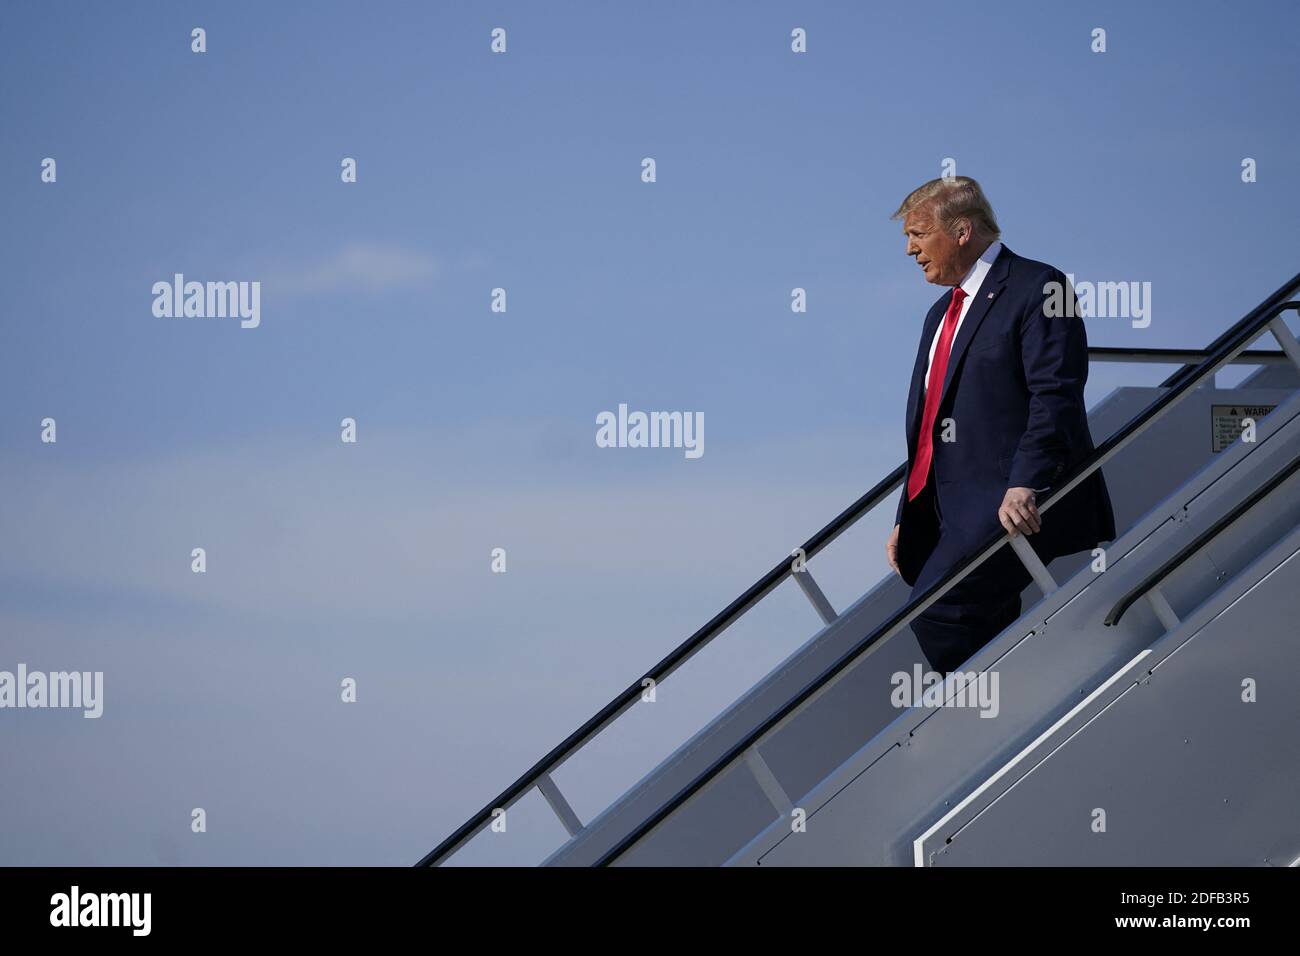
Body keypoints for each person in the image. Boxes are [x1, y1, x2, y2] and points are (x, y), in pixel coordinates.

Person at [883, 176, 1116, 674]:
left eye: (919, 234)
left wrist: (1026, 481)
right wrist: (908, 508)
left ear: (962, 230)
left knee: (939, 610)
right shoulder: (938, 316)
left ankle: (993, 710)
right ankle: (1009, 717)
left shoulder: (1038, 287)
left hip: (1010, 499)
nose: (909, 250)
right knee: (978, 615)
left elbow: (1055, 394)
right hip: (947, 507)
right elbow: (927, 423)